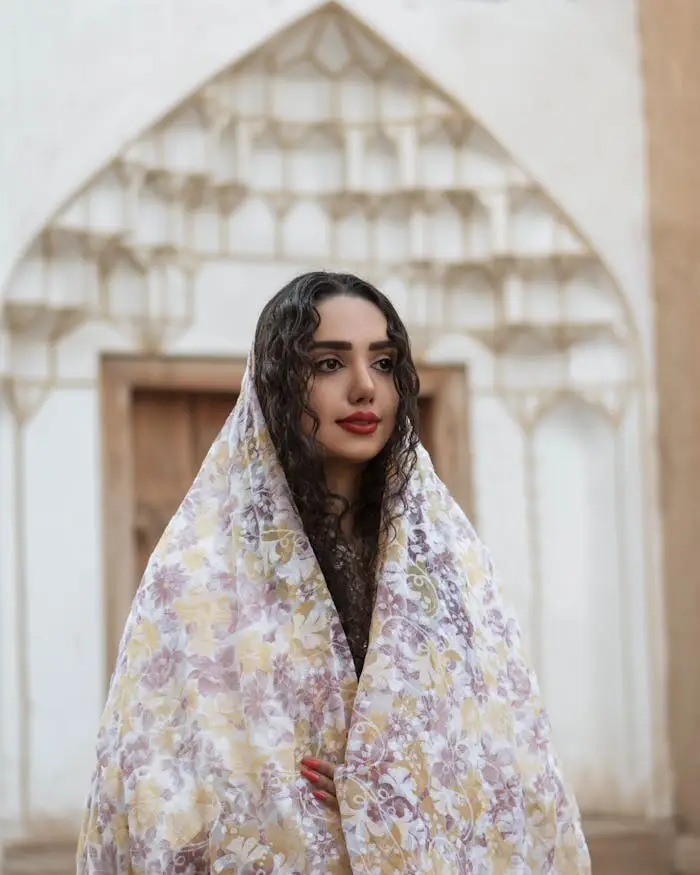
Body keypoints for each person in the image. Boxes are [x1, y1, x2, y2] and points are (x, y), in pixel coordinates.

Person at [77, 271, 591, 874]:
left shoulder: (452, 564)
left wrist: (382, 795)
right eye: (328, 364)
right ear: (277, 382)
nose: (364, 387)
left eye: (384, 362)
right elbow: (159, 772)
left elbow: (502, 748)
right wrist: (285, 796)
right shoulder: (198, 571)